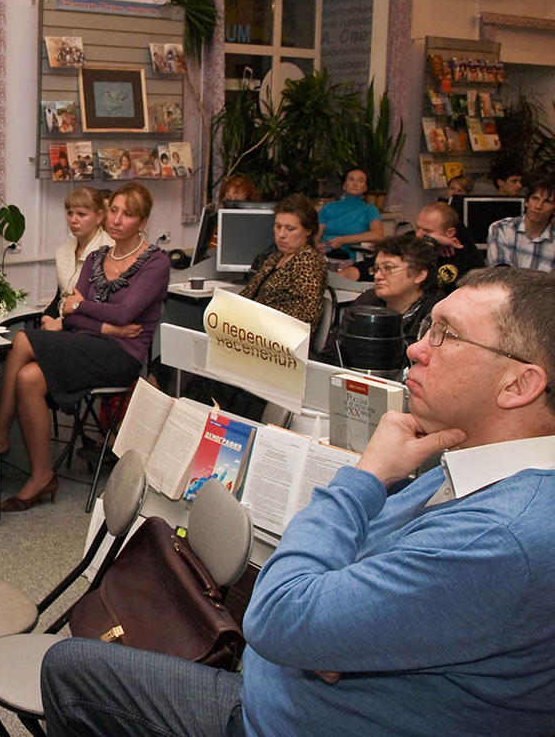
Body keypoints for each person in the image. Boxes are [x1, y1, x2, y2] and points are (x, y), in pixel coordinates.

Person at [41, 267, 555, 737]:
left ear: (519, 384)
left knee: (71, 674)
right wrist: (324, 635)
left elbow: (279, 614)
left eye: (447, 335)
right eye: (428, 329)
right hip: (286, 691)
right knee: (73, 666)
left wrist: (367, 475)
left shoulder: (503, 536)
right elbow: (321, 602)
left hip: (279, 719)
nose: (417, 348)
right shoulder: (472, 462)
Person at [0, 182, 169, 511]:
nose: (116, 219)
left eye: (127, 214)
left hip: (122, 356)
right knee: (27, 378)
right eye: (114, 211)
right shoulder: (96, 257)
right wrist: (105, 325)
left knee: (23, 339)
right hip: (86, 344)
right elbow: (69, 315)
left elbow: (120, 313)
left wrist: (82, 308)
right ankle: (42, 475)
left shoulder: (155, 262)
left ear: (143, 222)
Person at [320, 234, 439, 368]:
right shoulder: (367, 300)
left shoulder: (437, 312)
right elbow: (330, 355)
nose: (377, 276)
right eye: (376, 269)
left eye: (388, 269)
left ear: (419, 274)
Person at [241, 194, 326, 331]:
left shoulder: (308, 262)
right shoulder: (274, 258)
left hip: (275, 337)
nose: (281, 234)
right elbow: (246, 296)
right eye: (278, 226)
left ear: (308, 231)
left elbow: (305, 318)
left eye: (290, 229)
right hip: (252, 331)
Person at [41, 187, 112, 325]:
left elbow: (104, 307)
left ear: (99, 216)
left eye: (82, 214)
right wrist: (47, 318)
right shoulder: (63, 251)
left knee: (22, 337)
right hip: (63, 321)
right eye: (70, 213)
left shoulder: (110, 251)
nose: (73, 220)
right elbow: (61, 297)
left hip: (88, 327)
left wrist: (60, 325)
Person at [318, 167, 383, 280]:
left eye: (360, 181)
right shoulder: (329, 207)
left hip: (352, 260)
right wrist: (316, 245)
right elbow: (317, 233)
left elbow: (377, 235)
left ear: (365, 188)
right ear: (344, 185)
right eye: (351, 180)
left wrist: (343, 240)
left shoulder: (370, 210)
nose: (355, 184)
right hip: (324, 256)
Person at [414, 200, 484, 293]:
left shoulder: (465, 257)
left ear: (450, 233)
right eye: (417, 228)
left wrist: (433, 240)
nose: (418, 235)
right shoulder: (411, 242)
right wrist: (430, 244)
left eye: (428, 231)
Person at [486, 177, 555, 272]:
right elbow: (501, 274)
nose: (538, 206)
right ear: (526, 202)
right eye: (535, 199)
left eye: (547, 202)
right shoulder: (501, 228)